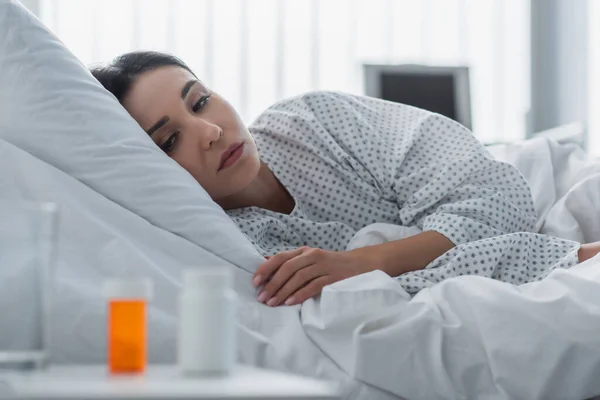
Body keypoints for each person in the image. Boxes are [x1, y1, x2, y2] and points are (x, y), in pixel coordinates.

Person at [91, 51, 600, 307]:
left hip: (545, 183)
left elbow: (498, 194)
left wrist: (365, 261)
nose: (209, 130)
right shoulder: (239, 245)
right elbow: (409, 295)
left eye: (200, 100)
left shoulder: (313, 121)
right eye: (169, 140)